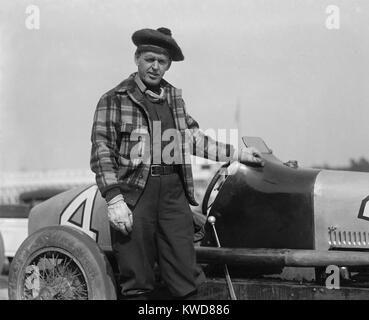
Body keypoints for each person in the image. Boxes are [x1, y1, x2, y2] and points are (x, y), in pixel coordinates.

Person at [90, 27, 264, 299]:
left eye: (161, 62)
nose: (155, 67)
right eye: (149, 59)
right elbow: (101, 150)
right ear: (137, 58)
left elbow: (193, 139)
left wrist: (237, 154)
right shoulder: (113, 99)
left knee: (187, 276)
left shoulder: (174, 98)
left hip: (173, 193)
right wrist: (114, 200)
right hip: (135, 195)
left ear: (168, 65)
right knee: (138, 279)